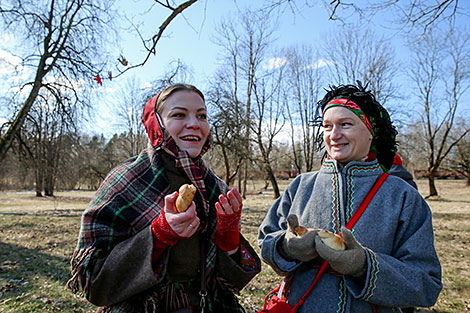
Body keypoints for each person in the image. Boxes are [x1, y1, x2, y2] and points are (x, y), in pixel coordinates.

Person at [68, 83, 261, 313]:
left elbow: (231, 283)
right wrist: (158, 235)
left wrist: (229, 242)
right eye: (179, 114)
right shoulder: (126, 180)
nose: (194, 124)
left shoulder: (215, 187)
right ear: (157, 125)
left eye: (202, 115)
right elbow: (94, 281)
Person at [258, 83, 442, 313]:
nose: (334, 135)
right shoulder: (301, 185)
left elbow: (426, 284)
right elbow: (265, 240)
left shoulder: (403, 196)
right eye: (327, 126)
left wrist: (364, 266)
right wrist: (287, 248)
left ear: (371, 132)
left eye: (345, 124)